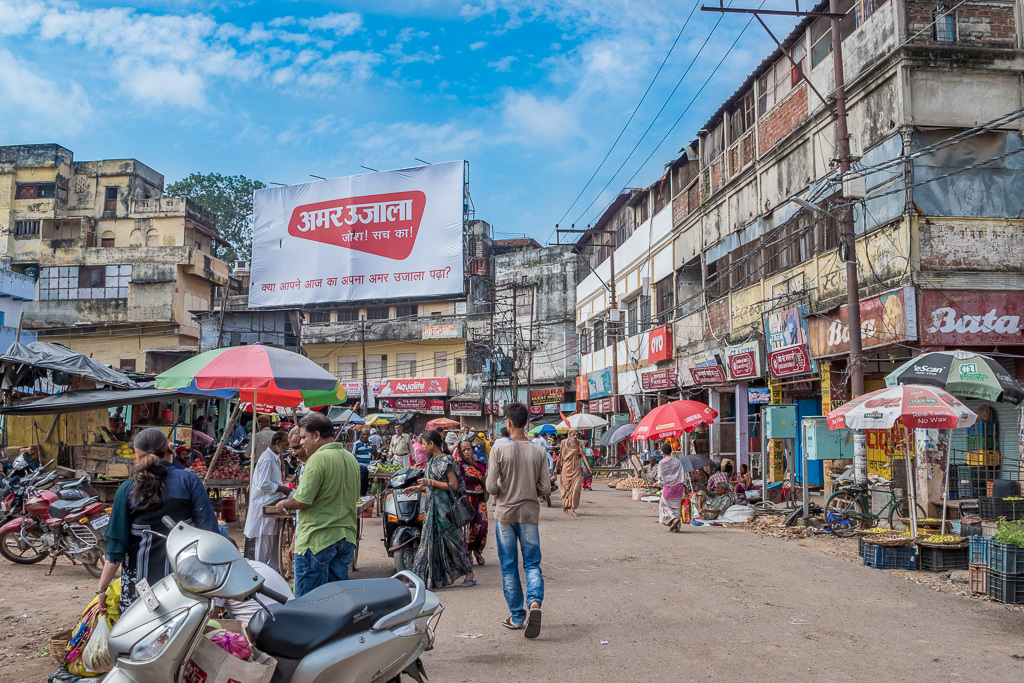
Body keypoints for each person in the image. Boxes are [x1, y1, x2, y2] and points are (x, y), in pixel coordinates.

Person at [97, 428, 219, 615]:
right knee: (182, 640)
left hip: (140, 595)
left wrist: (102, 589)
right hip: (185, 590)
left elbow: (115, 550)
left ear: (137, 455)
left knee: (139, 638)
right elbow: (210, 536)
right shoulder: (190, 482)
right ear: (170, 450)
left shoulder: (127, 490)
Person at [275, 413, 360, 597]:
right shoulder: (350, 458)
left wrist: (283, 504)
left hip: (317, 541)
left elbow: (301, 500)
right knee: (335, 602)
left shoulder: (317, 459)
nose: (303, 443)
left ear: (317, 436)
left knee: (308, 605)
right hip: (345, 538)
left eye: (304, 437)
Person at [485, 402, 550, 639]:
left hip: (505, 515)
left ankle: (517, 616)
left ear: (508, 422)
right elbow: (544, 487)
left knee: (509, 566)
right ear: (527, 423)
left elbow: (491, 487)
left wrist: (504, 487)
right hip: (529, 514)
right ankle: (534, 604)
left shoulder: (499, 448)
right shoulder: (539, 451)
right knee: (532, 564)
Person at [404, 431, 475, 589]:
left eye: (424, 444)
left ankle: (469, 572)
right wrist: (417, 488)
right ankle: (418, 577)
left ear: (431, 444)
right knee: (426, 542)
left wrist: (430, 482)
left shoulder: (446, 460)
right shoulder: (431, 460)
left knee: (452, 541)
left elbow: (453, 485)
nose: (422, 447)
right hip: (432, 507)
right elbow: (431, 484)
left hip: (445, 509)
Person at [245, 431, 291, 571]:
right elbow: (264, 484)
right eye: (286, 444)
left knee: (272, 543)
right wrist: (282, 489)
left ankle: (273, 572)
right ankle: (261, 574)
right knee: (264, 546)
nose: (287, 447)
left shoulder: (275, 457)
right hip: (264, 505)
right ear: (278, 443)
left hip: (272, 501)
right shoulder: (266, 459)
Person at [212, 559, 293, 627]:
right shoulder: (257, 565)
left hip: (263, 629)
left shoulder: (220, 574)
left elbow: (210, 621)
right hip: (292, 618)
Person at [455, 440, 488, 566]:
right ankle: (468, 552)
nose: (467, 452)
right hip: (467, 499)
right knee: (468, 528)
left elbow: (485, 481)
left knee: (482, 526)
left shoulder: (480, 464)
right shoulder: (459, 465)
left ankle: (478, 550)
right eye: (464, 450)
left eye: (468, 449)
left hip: (480, 500)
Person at [657, 444, 687, 532]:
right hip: (679, 487)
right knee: (676, 507)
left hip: (668, 487)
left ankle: (673, 519)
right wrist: (685, 486)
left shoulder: (662, 462)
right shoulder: (678, 461)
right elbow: (682, 474)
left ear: (663, 452)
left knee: (664, 505)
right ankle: (677, 527)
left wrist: (661, 483)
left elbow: (660, 476)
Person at [557, 429, 584, 517]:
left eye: (577, 434)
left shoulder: (579, 443)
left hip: (576, 467)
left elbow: (581, 455)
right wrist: (555, 468)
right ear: (570, 434)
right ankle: (566, 503)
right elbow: (560, 455)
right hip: (566, 467)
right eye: (574, 434)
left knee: (576, 488)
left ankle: (573, 509)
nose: (576, 436)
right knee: (566, 487)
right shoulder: (564, 442)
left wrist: (581, 453)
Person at [351, 427, 377, 495]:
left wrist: (375, 449)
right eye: (364, 434)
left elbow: (375, 456)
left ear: (369, 435)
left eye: (367, 434)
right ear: (361, 434)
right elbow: (352, 457)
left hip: (367, 469)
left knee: (365, 486)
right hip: (359, 468)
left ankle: (364, 499)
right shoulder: (356, 444)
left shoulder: (371, 444)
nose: (365, 436)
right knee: (360, 486)